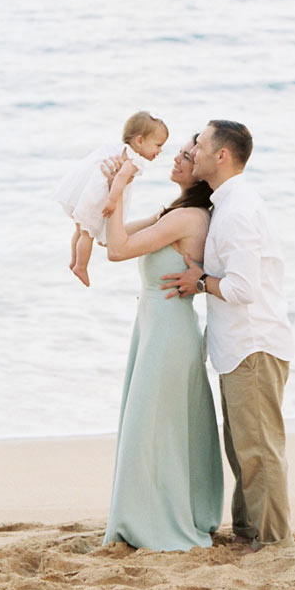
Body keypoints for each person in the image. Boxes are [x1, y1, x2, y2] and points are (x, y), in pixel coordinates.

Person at [161, 119, 294, 548]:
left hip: (254, 345)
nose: (192, 150)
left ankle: (275, 543)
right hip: (240, 346)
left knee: (258, 452)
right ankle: (248, 530)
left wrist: (200, 282)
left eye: (198, 143)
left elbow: (242, 288)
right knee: (242, 449)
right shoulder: (227, 203)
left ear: (221, 155)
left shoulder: (238, 210)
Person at [98, 135, 223, 550]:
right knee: (154, 427)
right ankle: (154, 510)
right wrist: (116, 186)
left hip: (168, 332)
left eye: (188, 156)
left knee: (152, 429)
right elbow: (106, 236)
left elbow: (118, 251)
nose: (178, 158)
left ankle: (153, 519)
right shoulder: (173, 211)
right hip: (155, 327)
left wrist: (118, 192)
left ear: (201, 172)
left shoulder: (189, 219)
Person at [53, 111, 169, 286]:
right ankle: (81, 266)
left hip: (87, 192)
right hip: (99, 197)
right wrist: (112, 201)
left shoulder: (117, 148)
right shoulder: (134, 160)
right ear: (139, 141)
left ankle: (74, 261)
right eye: (158, 145)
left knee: (80, 229)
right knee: (88, 234)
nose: (159, 151)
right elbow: (120, 178)